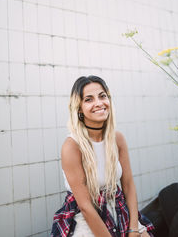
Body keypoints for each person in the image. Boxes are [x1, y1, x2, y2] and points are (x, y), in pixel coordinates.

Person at [51, 75, 154, 237]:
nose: (99, 103)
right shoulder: (71, 146)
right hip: (85, 216)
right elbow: (85, 206)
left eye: (102, 96)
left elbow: (128, 185)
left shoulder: (117, 138)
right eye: (89, 99)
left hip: (118, 207)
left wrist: (133, 229)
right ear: (79, 108)